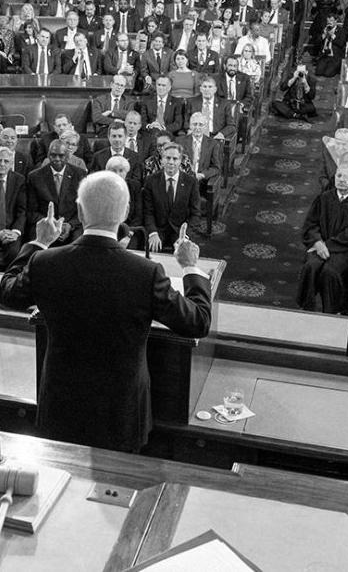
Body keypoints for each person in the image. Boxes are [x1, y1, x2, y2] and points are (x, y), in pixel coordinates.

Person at [0, 171, 211, 452]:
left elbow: (8, 293)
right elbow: (197, 322)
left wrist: (39, 243)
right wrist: (190, 266)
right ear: (125, 213)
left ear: (79, 211)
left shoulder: (45, 262)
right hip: (122, 411)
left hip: (61, 404)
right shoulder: (146, 273)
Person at [296, 163, 348, 314]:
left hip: (345, 251)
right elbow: (311, 225)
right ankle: (306, 308)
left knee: (329, 271)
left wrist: (326, 246)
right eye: (339, 176)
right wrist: (317, 242)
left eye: (346, 177)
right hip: (320, 246)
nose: (341, 179)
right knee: (311, 266)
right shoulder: (324, 198)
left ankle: (331, 312)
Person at [143, 142, 201, 252]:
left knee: (185, 252)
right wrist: (153, 233)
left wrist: (185, 235)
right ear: (161, 160)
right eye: (167, 158)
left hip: (181, 231)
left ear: (180, 161)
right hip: (158, 229)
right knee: (150, 250)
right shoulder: (151, 181)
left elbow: (196, 214)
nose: (171, 162)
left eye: (175, 159)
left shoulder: (191, 182)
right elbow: (148, 212)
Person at [26, 140, 86, 244]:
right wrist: (51, 223)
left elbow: (84, 208)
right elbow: (31, 211)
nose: (57, 159)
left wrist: (70, 225)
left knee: (79, 243)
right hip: (45, 224)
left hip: (72, 226)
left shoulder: (80, 175)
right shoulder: (35, 177)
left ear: (67, 156)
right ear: (48, 155)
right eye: (53, 155)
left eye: (61, 156)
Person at [0, 145, 26, 269]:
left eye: (6, 161)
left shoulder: (19, 180)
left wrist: (15, 232)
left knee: (14, 252)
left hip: (11, 231)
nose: (2, 164)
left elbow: (22, 211)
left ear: (11, 164)